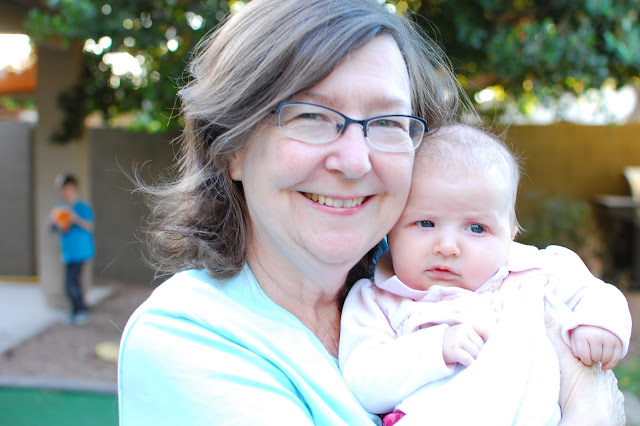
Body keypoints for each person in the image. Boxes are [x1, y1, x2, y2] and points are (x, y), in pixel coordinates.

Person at [117, 0, 625, 424]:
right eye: (312, 115)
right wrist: (590, 403)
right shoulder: (186, 338)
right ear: (232, 148)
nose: (356, 160)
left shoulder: (426, 276)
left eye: (386, 122)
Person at [339, 125, 631, 424]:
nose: (447, 246)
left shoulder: (537, 269)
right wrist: (434, 348)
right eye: (426, 223)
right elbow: (363, 381)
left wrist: (599, 325)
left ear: (510, 236)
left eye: (476, 228)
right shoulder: (378, 300)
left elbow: (596, 293)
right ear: (391, 228)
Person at [49, 173, 95, 325]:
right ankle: (78, 309)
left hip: (81, 252)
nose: (66, 193)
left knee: (71, 283)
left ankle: (79, 310)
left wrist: (75, 218)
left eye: (69, 189)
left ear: (75, 189)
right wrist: (53, 223)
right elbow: (57, 228)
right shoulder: (60, 209)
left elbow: (89, 226)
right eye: (64, 190)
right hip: (68, 253)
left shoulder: (82, 207)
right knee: (72, 283)